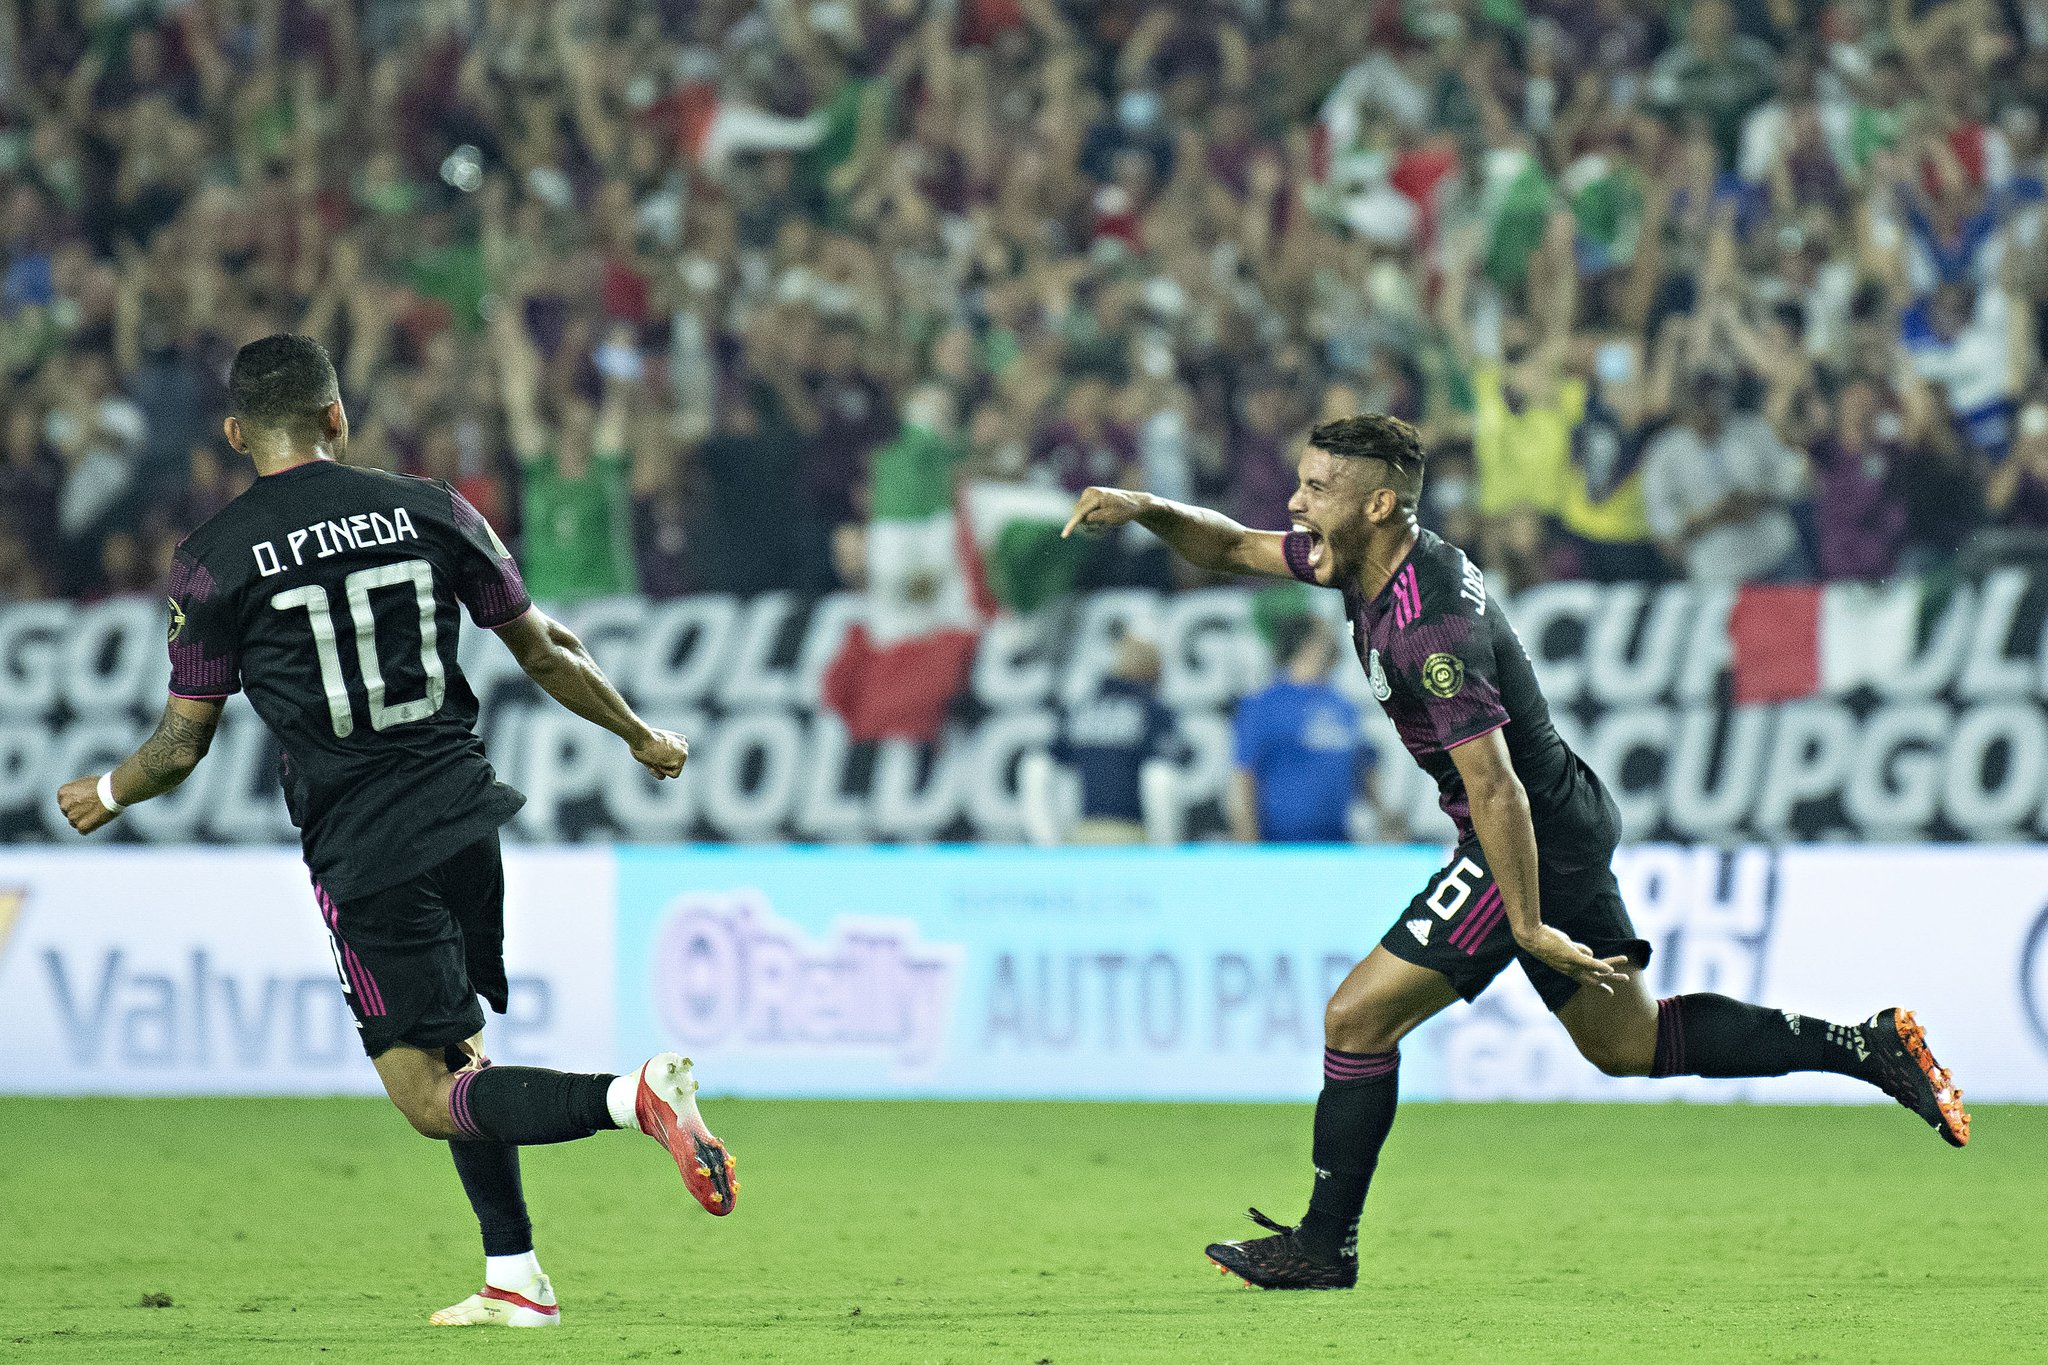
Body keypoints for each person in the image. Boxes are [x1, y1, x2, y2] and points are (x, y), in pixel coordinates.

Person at [1060, 412, 1969, 1292]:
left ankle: (1323, 1245)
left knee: (1355, 1021)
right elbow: (1229, 546)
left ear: (1380, 504)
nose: (1295, 505)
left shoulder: (1429, 624)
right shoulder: (1359, 560)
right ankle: (1868, 1045)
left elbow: (1495, 787)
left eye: (1316, 488)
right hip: (1555, 818)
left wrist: (1526, 922)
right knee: (1631, 1044)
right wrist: (1144, 505)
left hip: (1525, 834)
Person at [55, 336, 737, 1327]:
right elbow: (543, 649)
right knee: (460, 1050)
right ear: (337, 417)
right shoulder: (430, 506)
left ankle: (631, 1097)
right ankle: (516, 1277)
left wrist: (108, 792)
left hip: (363, 840)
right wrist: (639, 733)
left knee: (424, 1093)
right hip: (465, 808)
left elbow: (180, 746)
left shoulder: (214, 559)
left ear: (237, 434)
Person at [1021, 635, 1181, 846]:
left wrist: (1047, 840)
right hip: (1136, 839)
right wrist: (1165, 849)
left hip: (1083, 836)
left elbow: (1036, 766)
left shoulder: (1082, 709)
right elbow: (1160, 779)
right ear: (1156, 671)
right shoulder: (1153, 712)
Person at [1230, 614, 1375, 843]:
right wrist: (1247, 839)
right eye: (1326, 638)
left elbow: (1361, 770)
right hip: (1278, 845)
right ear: (1308, 645)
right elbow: (1244, 776)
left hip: (1337, 843)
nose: (1335, 644)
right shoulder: (1263, 705)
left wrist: (1384, 813)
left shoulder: (1343, 706)